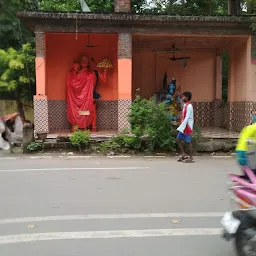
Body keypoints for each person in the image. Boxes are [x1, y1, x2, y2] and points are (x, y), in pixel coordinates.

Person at [176, 91, 194, 163]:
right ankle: (183, 154)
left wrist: (180, 128)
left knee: (188, 142)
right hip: (184, 126)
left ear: (187, 97)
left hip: (187, 127)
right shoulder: (185, 105)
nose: (182, 98)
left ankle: (191, 157)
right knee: (177, 140)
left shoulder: (189, 106)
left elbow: (187, 118)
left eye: (183, 96)